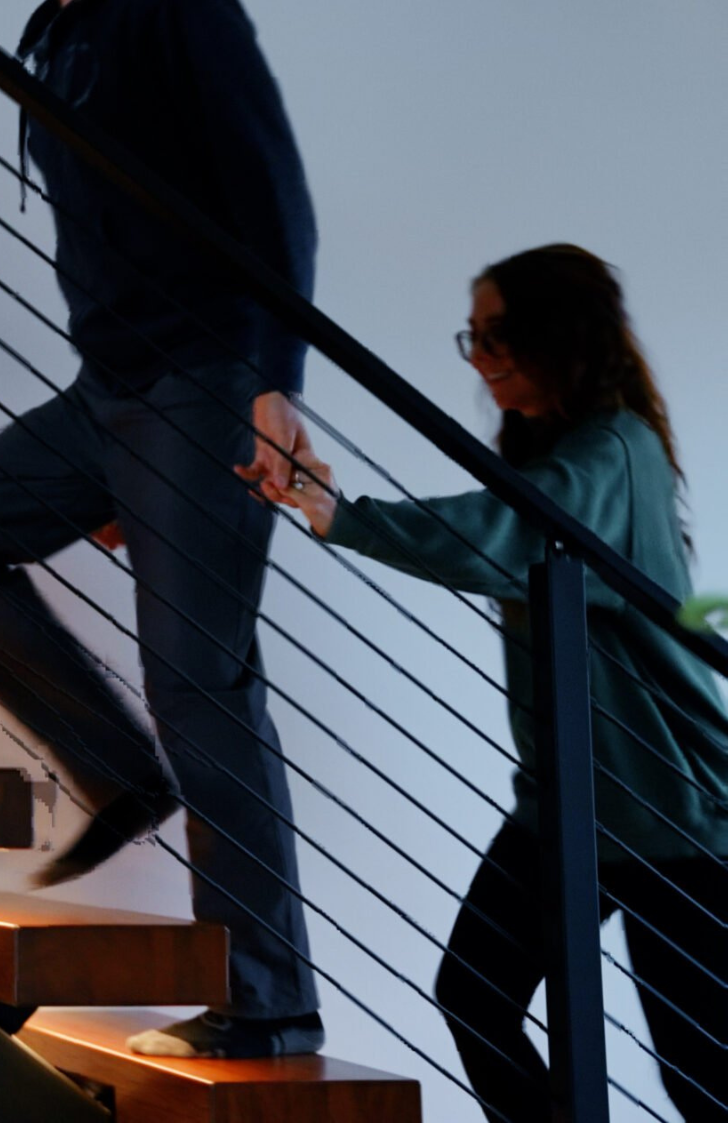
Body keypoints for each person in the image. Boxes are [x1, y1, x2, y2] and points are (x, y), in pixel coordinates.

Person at [0, 0, 325, 1058]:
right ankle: (116, 771)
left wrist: (271, 389)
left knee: (203, 686)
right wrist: (116, 463)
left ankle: (268, 1004)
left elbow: (271, 195)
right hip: (113, 397)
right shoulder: (62, 30)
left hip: (202, 385)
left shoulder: (177, 1)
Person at [277, 245, 728, 1120]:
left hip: (674, 815)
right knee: (476, 994)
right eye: (473, 337)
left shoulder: (613, 450)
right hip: (569, 805)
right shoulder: (554, 450)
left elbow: (509, 535)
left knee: (703, 1079)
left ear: (562, 334)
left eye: (501, 335)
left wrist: (344, 516)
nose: (482, 358)